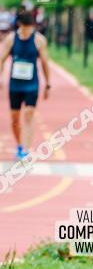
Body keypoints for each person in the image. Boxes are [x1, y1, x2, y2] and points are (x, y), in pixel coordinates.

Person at [0, 10, 51, 160]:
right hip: (15, 85)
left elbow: (45, 63)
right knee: (15, 118)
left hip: (32, 85)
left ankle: (26, 149)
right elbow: (1, 60)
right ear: (19, 25)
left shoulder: (39, 40)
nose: (29, 30)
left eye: (31, 27)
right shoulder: (11, 39)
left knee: (29, 115)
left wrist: (48, 84)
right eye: (26, 27)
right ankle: (19, 145)